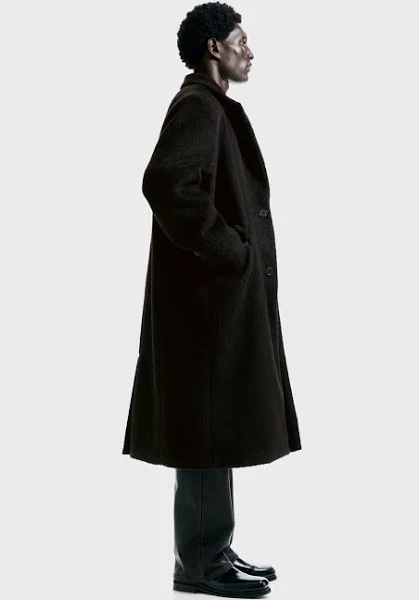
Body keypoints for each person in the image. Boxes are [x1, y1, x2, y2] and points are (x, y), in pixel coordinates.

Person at [122, 2, 302, 597]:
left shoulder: (211, 105)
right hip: (204, 306)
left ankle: (212, 548)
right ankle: (198, 563)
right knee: (203, 426)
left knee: (214, 424)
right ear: (213, 48)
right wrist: (232, 251)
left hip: (212, 304)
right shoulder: (198, 105)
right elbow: (167, 183)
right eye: (240, 40)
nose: (250, 51)